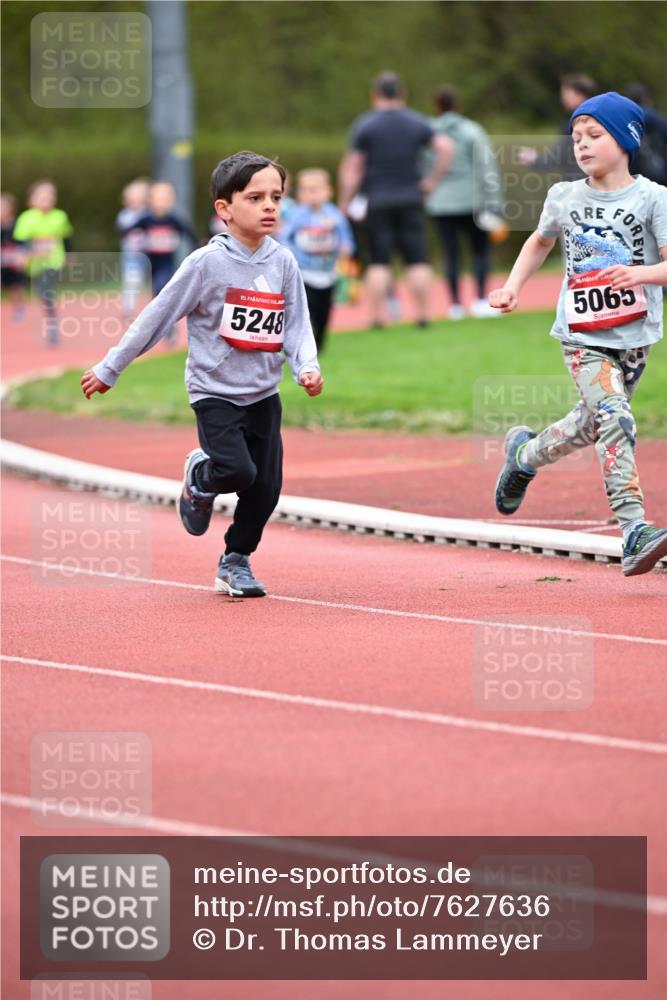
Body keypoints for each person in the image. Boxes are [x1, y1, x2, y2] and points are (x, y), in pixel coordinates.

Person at [81, 151, 323, 597]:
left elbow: (296, 324)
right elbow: (156, 316)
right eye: (255, 198)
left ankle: (235, 561)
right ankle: (201, 476)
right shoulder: (205, 264)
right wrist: (110, 366)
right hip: (215, 391)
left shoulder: (284, 261)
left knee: (266, 489)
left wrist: (306, 366)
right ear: (225, 210)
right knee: (235, 471)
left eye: (276, 197)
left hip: (263, 393)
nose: (270, 206)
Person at [490, 92, 667, 577]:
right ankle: (634, 529)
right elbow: (539, 241)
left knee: (593, 425)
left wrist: (642, 275)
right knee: (615, 417)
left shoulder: (653, 198)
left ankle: (523, 455)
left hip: (634, 336)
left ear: (627, 140)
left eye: (594, 135)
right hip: (581, 334)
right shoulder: (564, 196)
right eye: (576, 138)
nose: (582, 146)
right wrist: (511, 286)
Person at [338, 71, 453, 328]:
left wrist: (345, 202)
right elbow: (445, 148)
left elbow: (353, 166)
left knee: (379, 261)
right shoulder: (416, 122)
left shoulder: (365, 125)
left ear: (375, 94)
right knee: (417, 259)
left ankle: (377, 317)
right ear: (402, 93)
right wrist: (431, 182)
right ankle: (422, 315)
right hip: (411, 197)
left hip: (377, 199)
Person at [425, 85, 504, 319]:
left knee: (451, 254)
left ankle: (455, 305)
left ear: (435, 106)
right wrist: (495, 202)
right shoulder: (472, 130)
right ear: (457, 105)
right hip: (474, 201)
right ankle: (480, 300)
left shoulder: (428, 133)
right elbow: (486, 166)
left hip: (441, 202)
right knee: (480, 251)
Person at [280, 168, 355, 351]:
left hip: (328, 272)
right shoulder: (297, 215)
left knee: (324, 310)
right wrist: (291, 253)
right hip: (304, 272)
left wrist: (345, 247)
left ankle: (320, 342)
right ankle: (304, 342)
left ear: (328, 192)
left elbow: (346, 238)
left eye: (315, 190)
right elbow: (284, 238)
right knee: (306, 310)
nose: (311, 195)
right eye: (306, 190)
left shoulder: (334, 215)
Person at [131, 180, 198, 344]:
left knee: (163, 291)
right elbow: (129, 231)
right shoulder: (145, 219)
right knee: (156, 296)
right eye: (158, 198)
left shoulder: (172, 220)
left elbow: (190, 234)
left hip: (167, 265)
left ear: (170, 201)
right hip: (150, 264)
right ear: (150, 200)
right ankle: (165, 327)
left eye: (165, 199)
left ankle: (167, 327)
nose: (161, 202)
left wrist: (196, 250)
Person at [13, 180, 73, 345]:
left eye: (50, 195)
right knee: (40, 291)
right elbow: (21, 241)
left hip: (54, 261)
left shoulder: (60, 216)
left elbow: (67, 236)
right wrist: (25, 254)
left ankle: (52, 324)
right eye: (42, 195)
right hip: (35, 263)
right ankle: (48, 315)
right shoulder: (26, 218)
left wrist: (69, 254)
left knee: (46, 290)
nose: (46, 198)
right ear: (31, 199)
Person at [519, 74, 597, 180]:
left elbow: (557, 157)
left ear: (578, 94)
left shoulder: (574, 124)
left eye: (565, 93)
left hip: (578, 186)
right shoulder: (599, 119)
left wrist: (534, 159)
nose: (563, 98)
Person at [116, 178, 150, 321]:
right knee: (131, 282)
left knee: (153, 282)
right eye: (132, 197)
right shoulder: (124, 216)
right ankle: (128, 310)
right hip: (132, 256)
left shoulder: (149, 214)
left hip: (149, 255)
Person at [624, 82, 667, 186]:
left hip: (630, 173)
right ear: (645, 98)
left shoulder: (623, 117)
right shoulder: (653, 115)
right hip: (655, 171)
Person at [1, 193, 29, 320]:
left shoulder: (18, 223)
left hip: (15, 260)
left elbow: (24, 242)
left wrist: (23, 256)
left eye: (3, 206)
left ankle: (19, 309)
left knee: (16, 286)